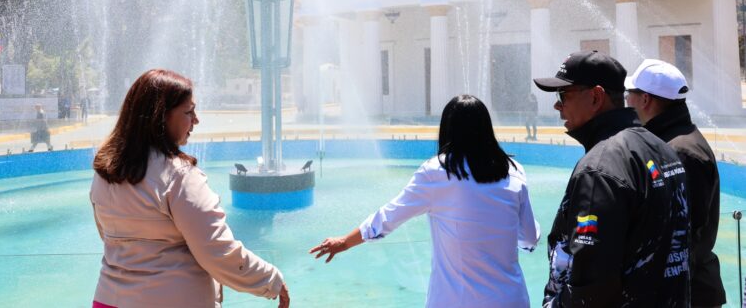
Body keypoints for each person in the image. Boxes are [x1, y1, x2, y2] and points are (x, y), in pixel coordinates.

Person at [310, 94, 541, 308]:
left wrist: (345, 242)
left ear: (448, 129)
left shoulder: (438, 172)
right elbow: (530, 238)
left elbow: (388, 216)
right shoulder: (514, 170)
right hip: (512, 299)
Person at [90, 69, 289, 308]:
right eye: (189, 112)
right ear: (161, 116)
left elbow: (109, 238)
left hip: (108, 299)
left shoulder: (105, 173)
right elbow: (217, 251)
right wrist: (271, 280)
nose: (196, 120)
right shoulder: (178, 176)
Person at [533, 50, 690, 307]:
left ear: (596, 97)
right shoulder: (661, 148)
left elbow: (591, 289)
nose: (557, 106)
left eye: (563, 95)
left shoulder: (599, 168)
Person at [626, 59, 726, 308]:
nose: (626, 100)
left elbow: (686, 232)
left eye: (630, 94)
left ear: (645, 100)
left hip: (689, 293)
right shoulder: (673, 141)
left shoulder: (679, 152)